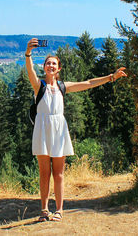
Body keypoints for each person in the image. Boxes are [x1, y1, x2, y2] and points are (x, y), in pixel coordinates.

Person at [25, 38, 127, 222]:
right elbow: (30, 72)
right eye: (48, 63)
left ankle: (59, 210)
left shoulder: (63, 87)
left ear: (59, 68)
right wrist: (28, 53)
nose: (51, 66)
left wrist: (111, 77)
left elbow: (88, 83)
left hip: (59, 130)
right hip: (42, 129)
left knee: (58, 173)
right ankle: (43, 210)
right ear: (44, 66)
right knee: (44, 173)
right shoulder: (39, 86)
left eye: (54, 64)